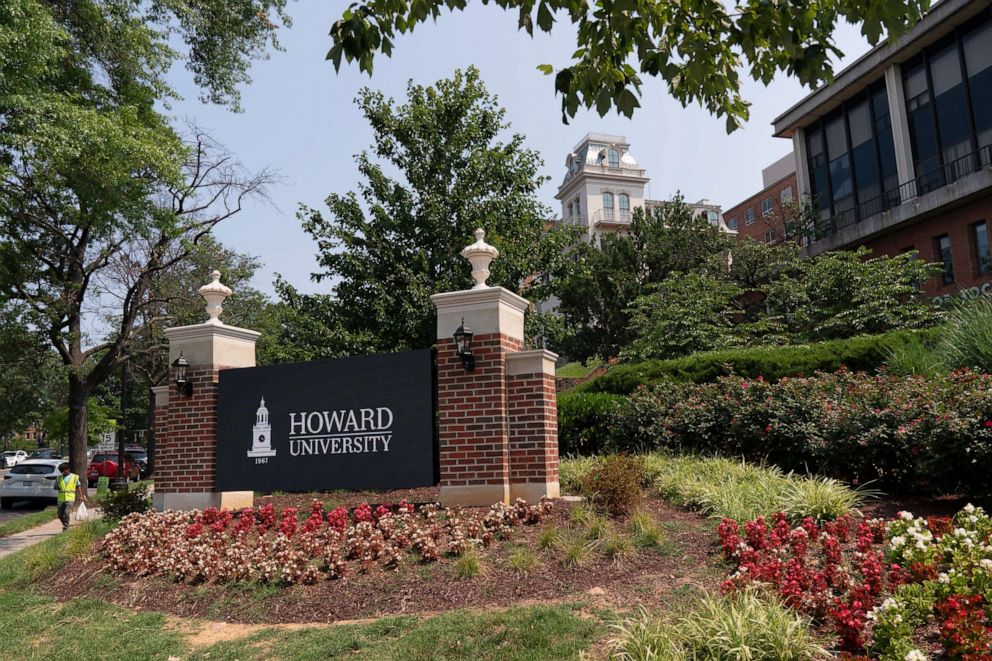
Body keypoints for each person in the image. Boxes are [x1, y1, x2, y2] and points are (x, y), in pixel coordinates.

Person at [55, 462, 85, 531]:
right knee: (60, 514)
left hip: (70, 498)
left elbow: (78, 486)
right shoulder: (59, 478)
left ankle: (66, 526)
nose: (63, 472)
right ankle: (65, 524)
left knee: (66, 512)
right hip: (61, 499)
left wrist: (81, 495)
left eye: (64, 470)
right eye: (61, 471)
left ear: (68, 469)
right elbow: (55, 486)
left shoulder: (74, 477)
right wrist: (58, 487)